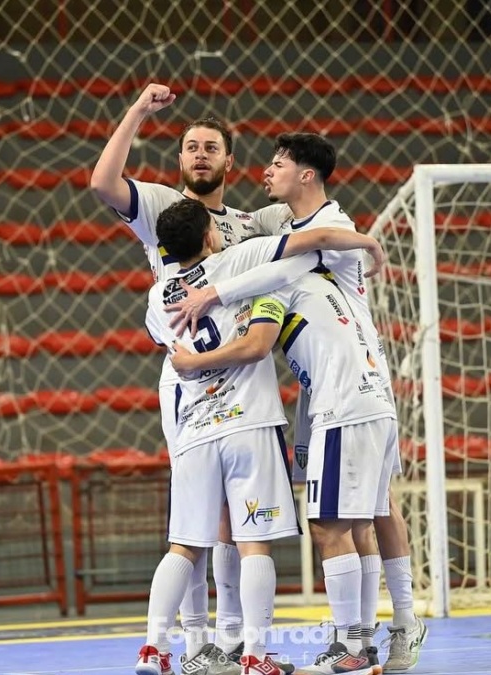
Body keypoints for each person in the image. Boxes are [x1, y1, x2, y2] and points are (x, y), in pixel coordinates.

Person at [166, 133, 428, 672]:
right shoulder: (286, 227)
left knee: (338, 523)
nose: (266, 171)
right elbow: (255, 234)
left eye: (278, 163)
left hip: (344, 389)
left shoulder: (329, 232)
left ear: (307, 174)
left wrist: (210, 291)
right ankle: (380, 632)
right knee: (365, 515)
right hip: (343, 390)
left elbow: (279, 272)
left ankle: (358, 642)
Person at [91, 82, 300, 672]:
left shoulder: (247, 223)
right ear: (179, 160)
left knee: (221, 521)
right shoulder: (162, 207)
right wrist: (135, 111)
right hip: (198, 385)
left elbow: (290, 221)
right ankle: (197, 641)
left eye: (212, 146)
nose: (201, 153)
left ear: (230, 161)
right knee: (211, 519)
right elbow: (104, 185)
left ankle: (227, 641)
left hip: (208, 368)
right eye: (191, 146)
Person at [138, 198, 388, 675]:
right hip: (248, 424)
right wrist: (366, 241)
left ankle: (153, 649)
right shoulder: (239, 259)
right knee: (255, 545)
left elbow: (166, 344)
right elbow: (314, 240)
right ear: (211, 235)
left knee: (184, 546)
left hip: (192, 430)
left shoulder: (156, 297)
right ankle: (254, 656)